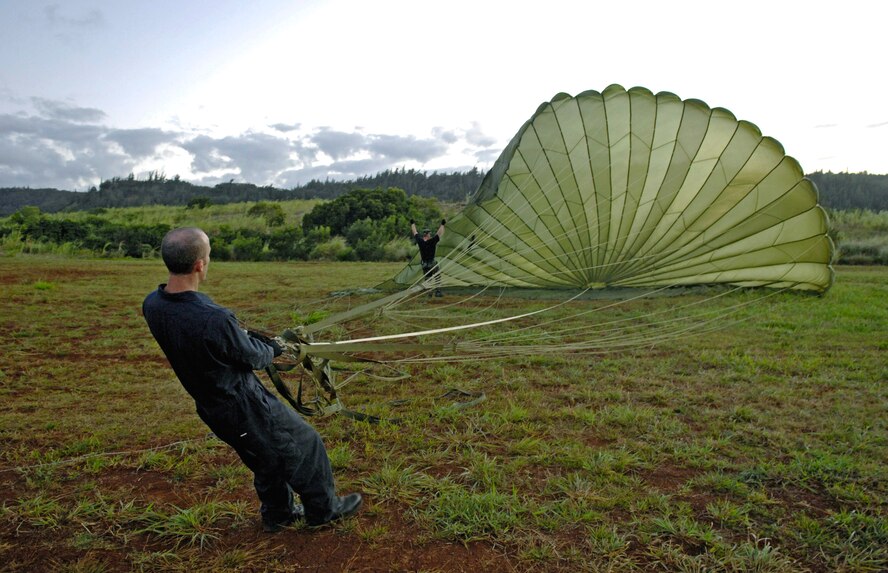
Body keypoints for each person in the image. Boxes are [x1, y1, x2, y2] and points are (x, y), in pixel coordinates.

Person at [142, 227, 361, 533]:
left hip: (211, 406)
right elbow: (255, 357)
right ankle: (324, 510)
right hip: (242, 403)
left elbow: (219, 342)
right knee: (306, 444)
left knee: (264, 456)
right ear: (200, 265)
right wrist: (272, 347)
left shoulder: (153, 303)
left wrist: (239, 337)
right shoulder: (213, 318)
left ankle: (278, 514)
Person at [411, 218, 445, 297]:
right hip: (432, 263)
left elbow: (415, 232)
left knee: (427, 279)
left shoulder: (420, 241)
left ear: (423, 234)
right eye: (429, 234)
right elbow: (439, 233)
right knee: (437, 276)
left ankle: (429, 293)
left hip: (424, 264)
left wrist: (412, 224)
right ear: (428, 234)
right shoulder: (432, 241)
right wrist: (442, 225)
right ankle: (438, 292)